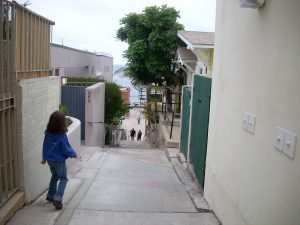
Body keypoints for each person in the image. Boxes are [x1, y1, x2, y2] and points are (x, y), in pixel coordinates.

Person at [41, 111, 77, 210]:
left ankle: (51, 195)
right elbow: (66, 149)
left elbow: (45, 145)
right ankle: (58, 198)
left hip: (50, 161)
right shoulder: (62, 136)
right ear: (62, 122)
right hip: (59, 161)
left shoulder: (47, 133)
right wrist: (73, 154)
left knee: (55, 175)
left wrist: (44, 158)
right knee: (63, 179)